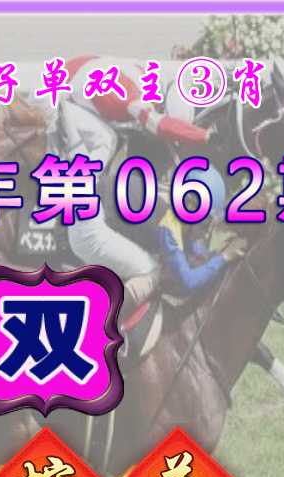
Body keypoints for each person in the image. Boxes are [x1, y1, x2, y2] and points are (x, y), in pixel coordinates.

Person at [55, 56, 214, 303]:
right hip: (57, 98)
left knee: (109, 136)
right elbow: (160, 126)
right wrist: (205, 136)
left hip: (71, 82)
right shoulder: (133, 96)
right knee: (105, 140)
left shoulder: (147, 77)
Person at [157, 166, 248, 297]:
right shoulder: (169, 227)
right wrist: (224, 257)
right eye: (205, 220)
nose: (205, 229)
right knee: (150, 273)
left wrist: (213, 256)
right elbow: (188, 282)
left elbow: (195, 247)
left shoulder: (179, 213)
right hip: (124, 239)